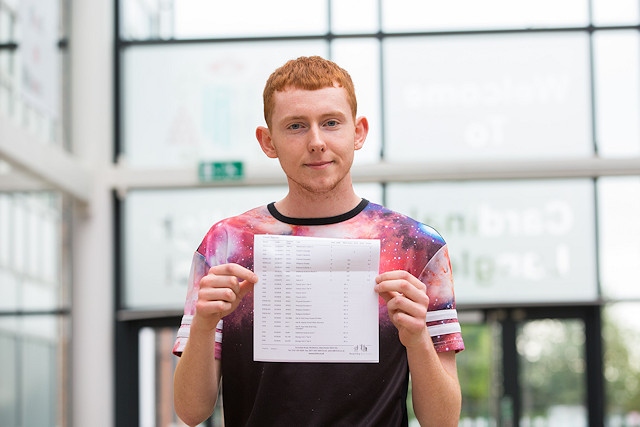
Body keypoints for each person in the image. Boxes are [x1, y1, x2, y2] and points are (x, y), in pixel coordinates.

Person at [172, 55, 464, 427]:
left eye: (331, 123)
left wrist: (418, 338)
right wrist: (203, 325)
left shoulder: (416, 245)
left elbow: (442, 421)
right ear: (268, 141)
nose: (316, 142)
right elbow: (190, 411)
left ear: (358, 132)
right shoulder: (226, 243)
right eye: (295, 126)